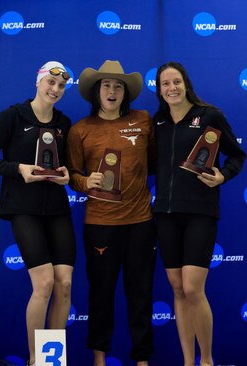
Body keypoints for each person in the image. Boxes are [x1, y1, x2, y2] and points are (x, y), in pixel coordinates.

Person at [0, 61, 75, 366]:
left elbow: (67, 164)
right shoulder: (13, 116)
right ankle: (37, 361)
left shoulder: (64, 122)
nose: (55, 90)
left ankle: (53, 360)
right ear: (38, 82)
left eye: (60, 86)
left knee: (65, 283)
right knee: (44, 283)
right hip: (23, 207)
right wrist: (18, 170)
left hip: (56, 207)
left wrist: (67, 176)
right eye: (51, 83)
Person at [153, 62, 245, 366]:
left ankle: (207, 361)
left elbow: (237, 154)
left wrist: (222, 175)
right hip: (165, 214)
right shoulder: (159, 122)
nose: (171, 88)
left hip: (200, 213)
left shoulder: (210, 116)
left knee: (193, 288)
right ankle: (188, 362)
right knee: (178, 289)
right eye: (165, 84)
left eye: (176, 81)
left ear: (186, 83)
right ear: (159, 89)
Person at [65, 60, 155, 366]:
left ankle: (142, 360)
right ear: (96, 91)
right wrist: (83, 181)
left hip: (141, 223)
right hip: (100, 225)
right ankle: (99, 361)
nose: (112, 91)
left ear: (126, 92)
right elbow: (72, 175)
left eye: (118, 86)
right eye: (106, 85)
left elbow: (154, 163)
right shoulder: (80, 130)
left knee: (140, 295)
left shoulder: (143, 121)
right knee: (101, 295)